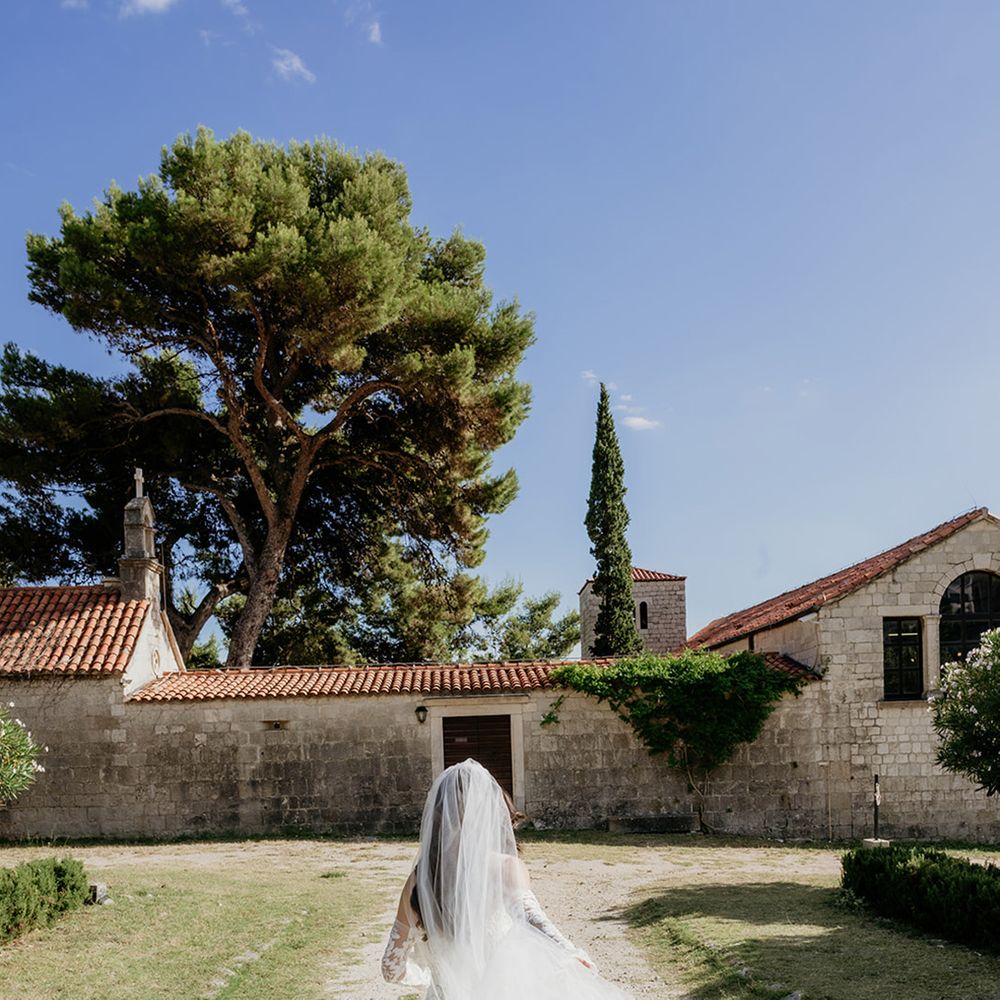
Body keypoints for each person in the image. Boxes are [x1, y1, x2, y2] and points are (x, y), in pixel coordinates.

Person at [381, 758, 632, 999]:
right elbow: (532, 919)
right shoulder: (506, 868)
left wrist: (434, 979)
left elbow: (390, 970)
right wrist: (571, 952)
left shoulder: (419, 880)